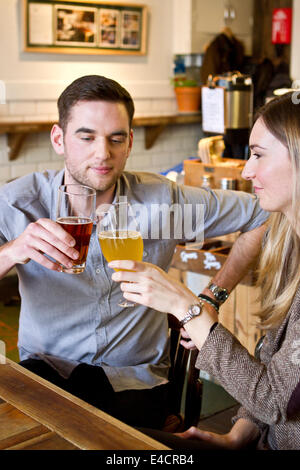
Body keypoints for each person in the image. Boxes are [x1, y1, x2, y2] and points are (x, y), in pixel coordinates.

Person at [0, 75, 268, 430]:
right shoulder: (19, 203)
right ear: (59, 139)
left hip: (135, 379)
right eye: (86, 137)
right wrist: (12, 251)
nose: (103, 153)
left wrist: (213, 296)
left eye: (115, 138)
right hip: (48, 370)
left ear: (129, 142)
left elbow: (262, 214)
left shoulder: (164, 203)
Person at [109, 92, 300, 449]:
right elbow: (272, 371)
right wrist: (238, 435)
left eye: (258, 154)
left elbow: (276, 400)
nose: (246, 170)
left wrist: (189, 307)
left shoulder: (163, 197)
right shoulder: (290, 248)